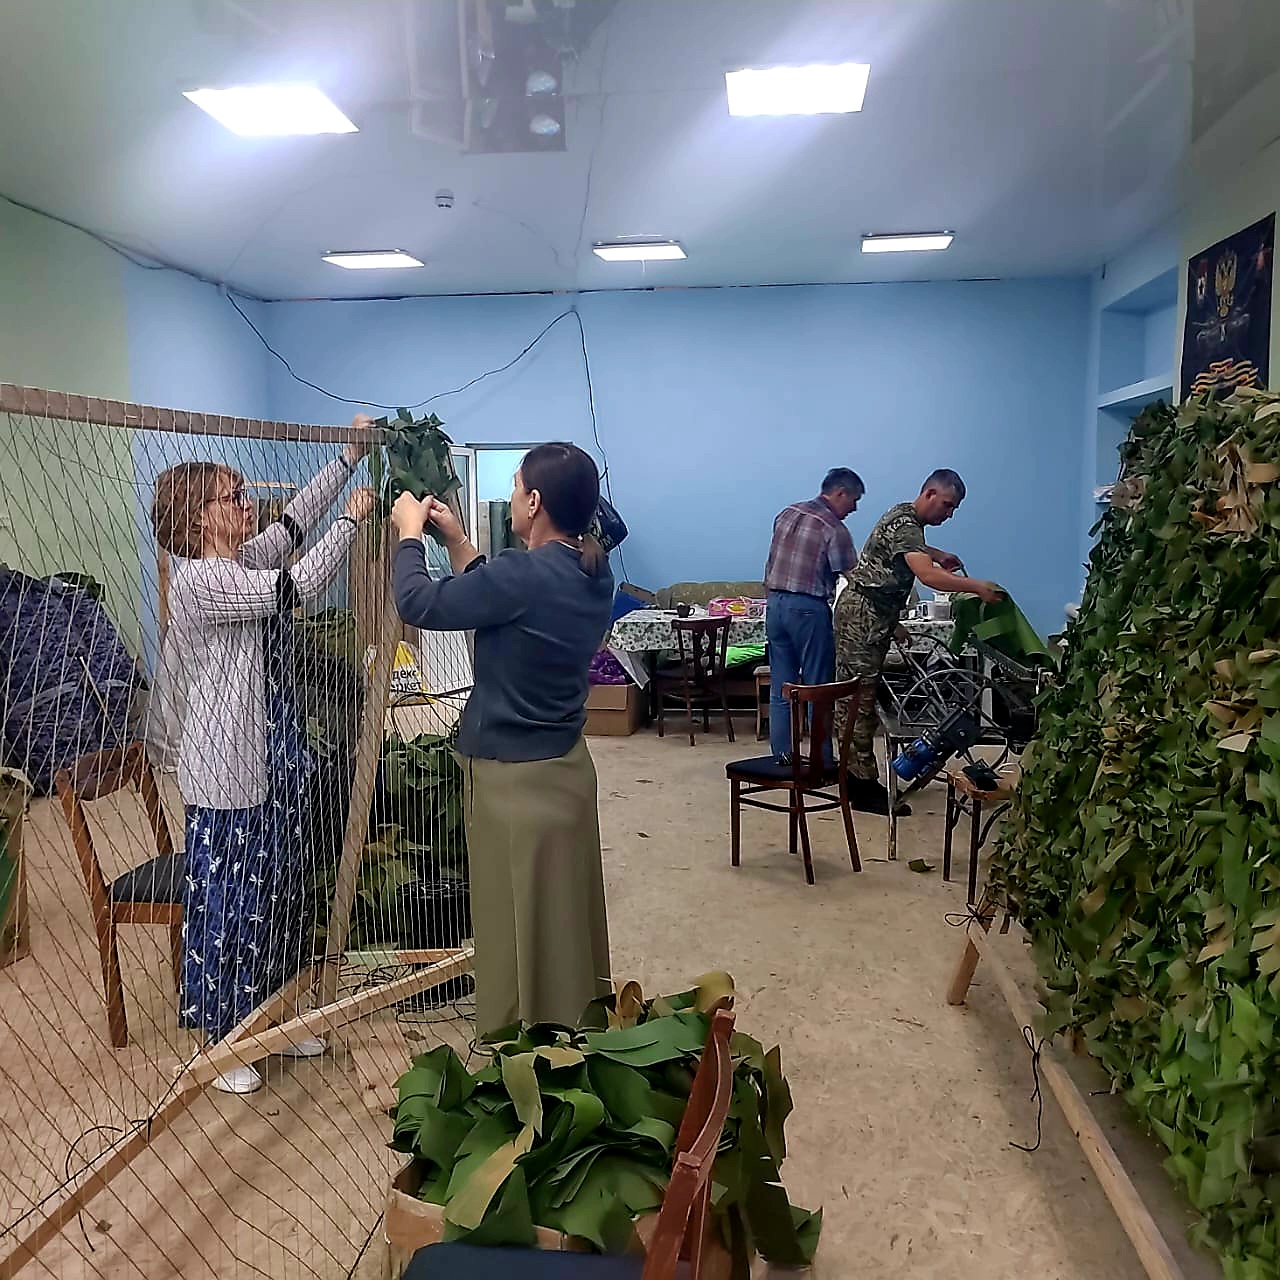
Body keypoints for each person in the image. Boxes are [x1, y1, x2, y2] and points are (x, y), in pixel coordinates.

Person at [147, 424, 374, 1095]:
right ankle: (225, 1038)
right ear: (199, 517)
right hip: (225, 770)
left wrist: (347, 460)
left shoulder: (243, 560)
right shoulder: (200, 582)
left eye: (242, 492)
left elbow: (295, 523)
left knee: (279, 892)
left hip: (274, 755)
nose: (246, 503)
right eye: (232, 496)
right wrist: (353, 522)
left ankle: (273, 1015)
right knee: (231, 905)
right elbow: (295, 588)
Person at [389, 443, 614, 1037]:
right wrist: (458, 542)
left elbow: (417, 602)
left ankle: (521, 1042)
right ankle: (573, 1026)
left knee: (511, 916)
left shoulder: (523, 574)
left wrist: (409, 536)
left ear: (534, 502)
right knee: (562, 913)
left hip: (513, 781)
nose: (512, 497)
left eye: (516, 487)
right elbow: (503, 598)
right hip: (566, 771)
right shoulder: (591, 569)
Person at [834, 469, 1002, 812]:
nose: (949, 514)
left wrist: (937, 554)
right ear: (929, 494)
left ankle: (853, 777)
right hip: (863, 616)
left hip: (873, 614)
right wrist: (977, 587)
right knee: (857, 701)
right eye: (947, 505)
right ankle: (860, 786)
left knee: (860, 698)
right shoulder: (907, 523)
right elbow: (926, 576)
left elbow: (904, 553)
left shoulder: (904, 517)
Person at [763, 468, 863, 761]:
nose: (854, 508)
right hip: (808, 608)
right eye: (854, 500)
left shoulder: (787, 513)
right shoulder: (834, 528)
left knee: (782, 688)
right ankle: (821, 761)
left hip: (775, 605)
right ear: (840, 493)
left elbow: (771, 560)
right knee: (818, 689)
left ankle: (782, 759)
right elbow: (856, 578)